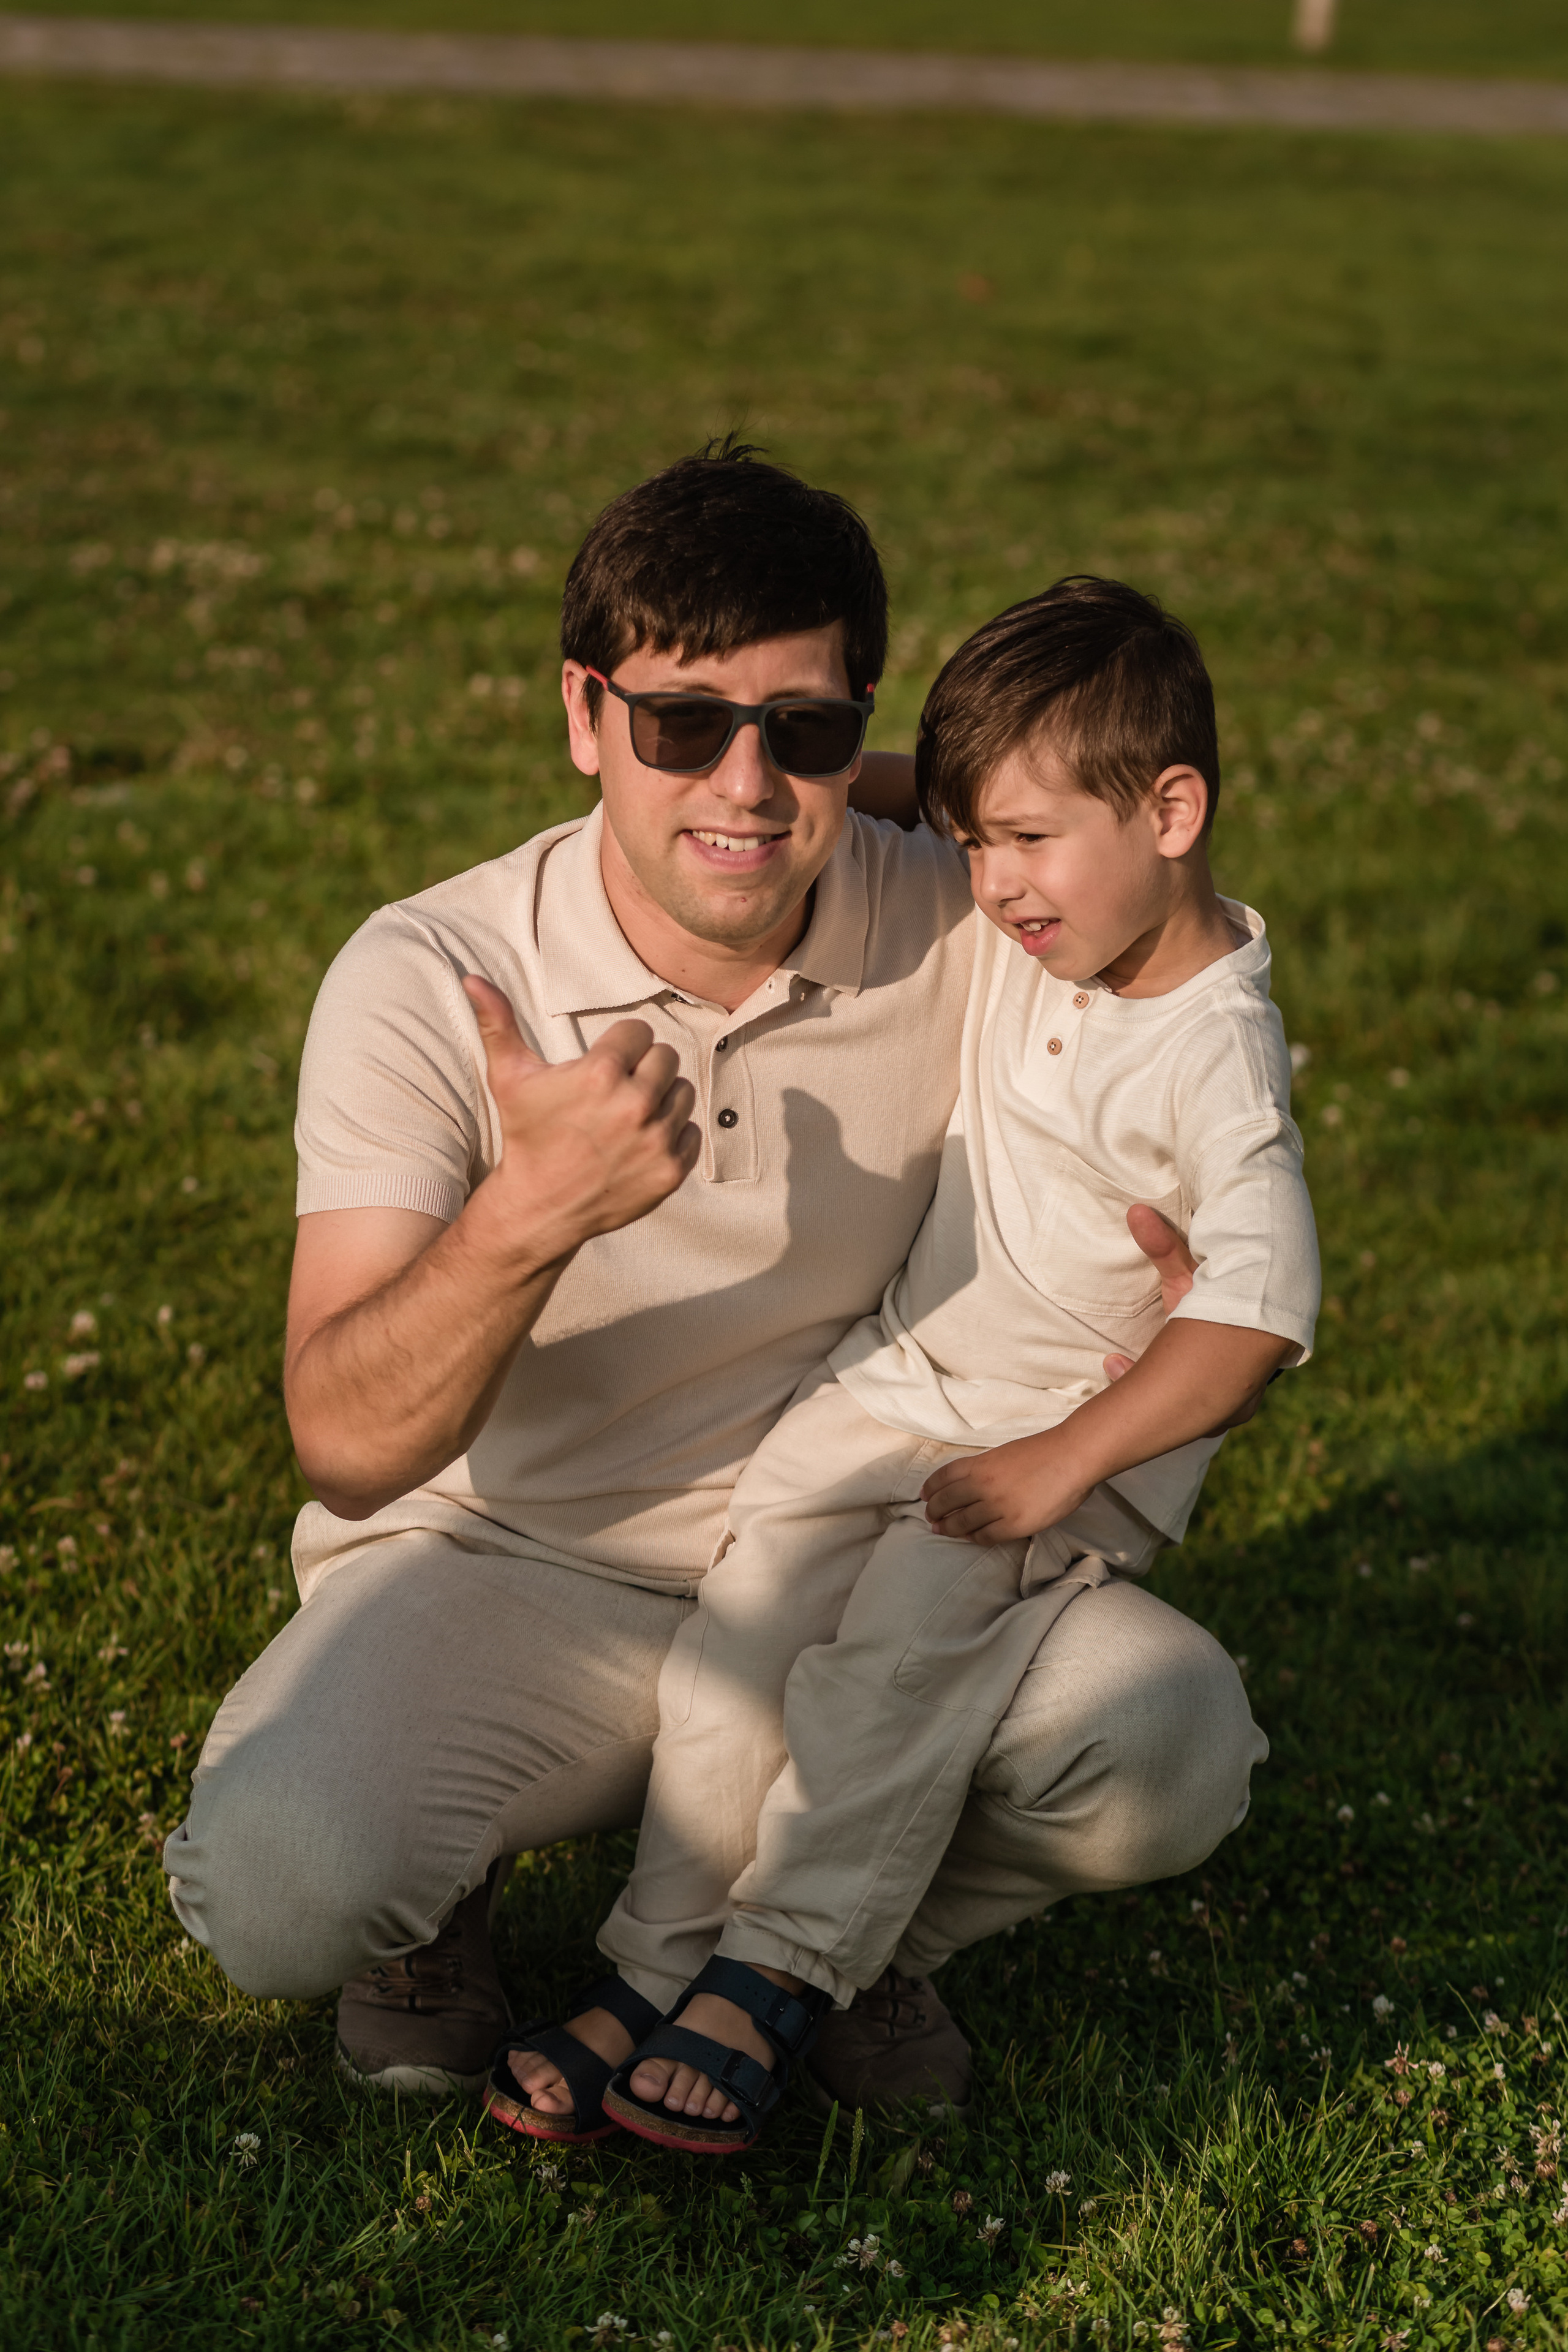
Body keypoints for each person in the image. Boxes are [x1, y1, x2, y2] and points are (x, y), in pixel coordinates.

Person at [162, 447, 1267, 2119]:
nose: (745, 787)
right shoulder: (433, 978)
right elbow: (344, 1441)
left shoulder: (963, 913)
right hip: (514, 1568)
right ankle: (444, 1902)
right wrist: (528, 1217)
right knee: (280, 1885)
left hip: (848, 1563)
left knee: (1171, 1742)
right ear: (584, 716)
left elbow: (1163, 909)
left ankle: (838, 1932)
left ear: (861, 730)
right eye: (682, 724)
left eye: (805, 731)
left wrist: (1210, 1268)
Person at [494, 576, 1317, 2154]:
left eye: (1021, 841)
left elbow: (1259, 1311)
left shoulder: (1213, 1049)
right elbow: (906, 815)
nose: (989, 884)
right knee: (746, 1641)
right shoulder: (1067, 911)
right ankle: (656, 1965)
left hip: (1050, 1441)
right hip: (896, 1386)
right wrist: (770, 793)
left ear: (1174, 810)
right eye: (972, 838)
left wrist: (1055, 1470)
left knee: (883, 1675)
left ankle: (786, 1970)